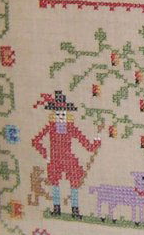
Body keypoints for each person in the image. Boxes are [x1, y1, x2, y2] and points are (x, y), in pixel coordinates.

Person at [31, 90, 101, 219]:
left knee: (74, 182)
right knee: (54, 182)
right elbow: (35, 141)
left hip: (68, 158)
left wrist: (97, 138)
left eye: (63, 113)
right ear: (54, 114)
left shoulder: (70, 127)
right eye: (58, 113)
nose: (61, 116)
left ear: (67, 114)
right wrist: (46, 155)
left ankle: (75, 210)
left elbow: (86, 144)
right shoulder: (50, 127)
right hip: (54, 159)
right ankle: (56, 208)